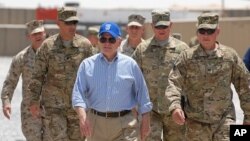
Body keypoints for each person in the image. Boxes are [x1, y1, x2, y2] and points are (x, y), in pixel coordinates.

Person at [165, 12, 250, 141]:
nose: (206, 35)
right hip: (195, 123)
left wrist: (248, 117)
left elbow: (245, 86)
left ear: (218, 31)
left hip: (224, 121)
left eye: (210, 31)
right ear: (197, 32)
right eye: (202, 31)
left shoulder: (230, 56)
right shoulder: (186, 57)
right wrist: (175, 107)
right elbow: (173, 83)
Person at [72, 22, 153, 141]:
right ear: (98, 40)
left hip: (125, 124)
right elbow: (78, 93)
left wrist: (146, 120)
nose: (107, 43)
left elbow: (142, 94)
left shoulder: (130, 65)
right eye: (103, 39)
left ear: (119, 41)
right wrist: (82, 116)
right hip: (96, 124)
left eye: (111, 39)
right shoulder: (87, 65)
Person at [29, 7, 93, 141]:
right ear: (59, 23)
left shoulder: (85, 46)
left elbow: (94, 75)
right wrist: (34, 100)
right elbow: (37, 75)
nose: (72, 26)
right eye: (68, 23)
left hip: (78, 107)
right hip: (54, 106)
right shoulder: (48, 46)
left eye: (74, 23)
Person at [132, 9, 189, 141]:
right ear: (152, 26)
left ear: (171, 25)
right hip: (150, 110)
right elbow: (133, 77)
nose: (161, 29)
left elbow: (190, 79)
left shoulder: (182, 49)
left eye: (164, 26)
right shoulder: (142, 49)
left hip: (174, 109)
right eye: (158, 26)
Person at [1, 20, 46, 141]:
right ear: (28, 37)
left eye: (40, 33)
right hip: (30, 112)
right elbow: (10, 81)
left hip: (52, 109)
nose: (38, 36)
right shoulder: (22, 57)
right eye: (34, 34)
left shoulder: (54, 55)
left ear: (45, 34)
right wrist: (6, 101)